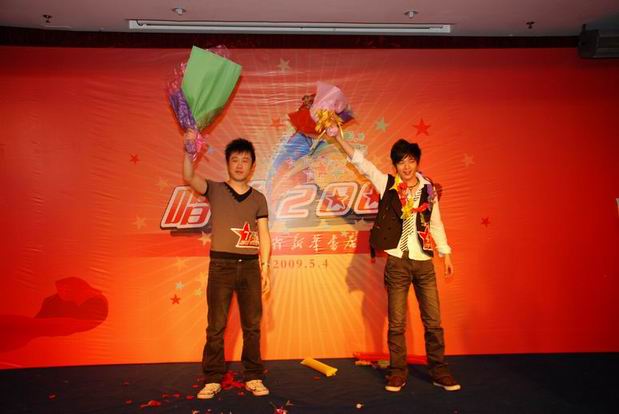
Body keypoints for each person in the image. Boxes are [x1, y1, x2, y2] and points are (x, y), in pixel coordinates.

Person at [333, 133, 461, 392]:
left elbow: (436, 223)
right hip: (397, 263)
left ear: (417, 162)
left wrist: (445, 253)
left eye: (411, 160)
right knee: (397, 323)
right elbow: (362, 163)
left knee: (433, 321)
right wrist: (338, 137)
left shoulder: (428, 189)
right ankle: (397, 373)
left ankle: (439, 371)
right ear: (395, 165)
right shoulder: (388, 184)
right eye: (401, 162)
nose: (406, 166)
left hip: (423, 262)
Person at [182, 130, 272, 399]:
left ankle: (253, 376)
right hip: (220, 265)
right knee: (216, 326)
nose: (240, 164)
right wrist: (189, 151)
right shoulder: (216, 189)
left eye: (245, 160)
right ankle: (212, 378)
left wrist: (265, 267)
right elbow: (189, 177)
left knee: (252, 326)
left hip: (250, 267)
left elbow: (264, 234)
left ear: (252, 166)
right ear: (228, 163)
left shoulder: (259, 198)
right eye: (235, 159)